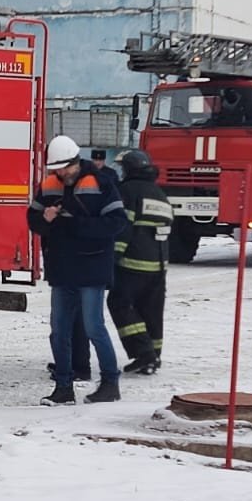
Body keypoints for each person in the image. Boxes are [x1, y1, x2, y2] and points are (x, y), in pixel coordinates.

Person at [27, 134, 124, 405]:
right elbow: (32, 219)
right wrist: (44, 220)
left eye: (65, 168)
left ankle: (109, 383)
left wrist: (76, 225)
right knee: (59, 330)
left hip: (92, 268)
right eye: (56, 170)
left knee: (94, 327)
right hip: (61, 269)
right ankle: (63, 387)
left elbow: (117, 223)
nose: (61, 174)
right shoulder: (48, 185)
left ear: (76, 161)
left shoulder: (102, 183)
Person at [110, 147, 172, 375]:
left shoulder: (128, 191)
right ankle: (153, 356)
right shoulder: (159, 193)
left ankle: (143, 353)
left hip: (133, 264)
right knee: (152, 311)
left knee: (119, 304)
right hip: (158, 266)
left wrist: (114, 257)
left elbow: (123, 227)